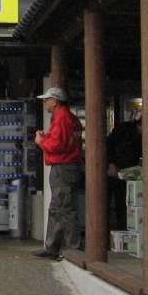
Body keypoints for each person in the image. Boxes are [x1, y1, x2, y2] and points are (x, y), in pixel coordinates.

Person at [32, 87, 83, 261]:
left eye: (46, 100)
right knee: (57, 207)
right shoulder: (71, 118)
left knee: (64, 208)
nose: (44, 103)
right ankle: (52, 246)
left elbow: (56, 146)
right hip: (70, 166)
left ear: (55, 101)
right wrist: (46, 137)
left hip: (63, 167)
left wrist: (41, 141)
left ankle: (74, 249)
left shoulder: (61, 118)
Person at [106, 111, 142, 231]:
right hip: (114, 169)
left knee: (123, 202)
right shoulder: (123, 130)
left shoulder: (141, 137)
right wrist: (110, 163)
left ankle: (123, 228)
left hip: (128, 172)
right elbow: (107, 145)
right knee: (107, 201)